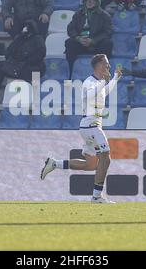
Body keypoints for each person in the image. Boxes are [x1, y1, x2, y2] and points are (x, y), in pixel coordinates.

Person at [41, 54, 122, 204]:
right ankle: (96, 197)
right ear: (99, 65)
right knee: (106, 157)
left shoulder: (98, 82)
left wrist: (115, 78)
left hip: (90, 125)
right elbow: (91, 96)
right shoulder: (89, 82)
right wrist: (103, 82)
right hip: (91, 125)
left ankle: (54, 163)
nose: (109, 66)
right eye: (106, 63)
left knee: (91, 165)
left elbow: (105, 92)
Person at [0, 20, 46, 103]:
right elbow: (7, 53)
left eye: (27, 27)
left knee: (34, 73)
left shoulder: (38, 39)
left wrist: (25, 61)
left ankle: (33, 99)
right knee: (2, 67)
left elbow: (41, 54)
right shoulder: (19, 39)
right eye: (24, 27)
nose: (25, 29)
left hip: (33, 68)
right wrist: (18, 40)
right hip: (18, 66)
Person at [65, 0, 113, 71]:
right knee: (69, 43)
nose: (89, 2)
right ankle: (70, 73)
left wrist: (93, 40)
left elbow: (108, 32)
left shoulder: (105, 16)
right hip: (81, 43)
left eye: (92, 0)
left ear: (97, 2)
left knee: (108, 44)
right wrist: (78, 38)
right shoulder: (78, 14)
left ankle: (104, 73)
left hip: (97, 45)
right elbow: (70, 29)